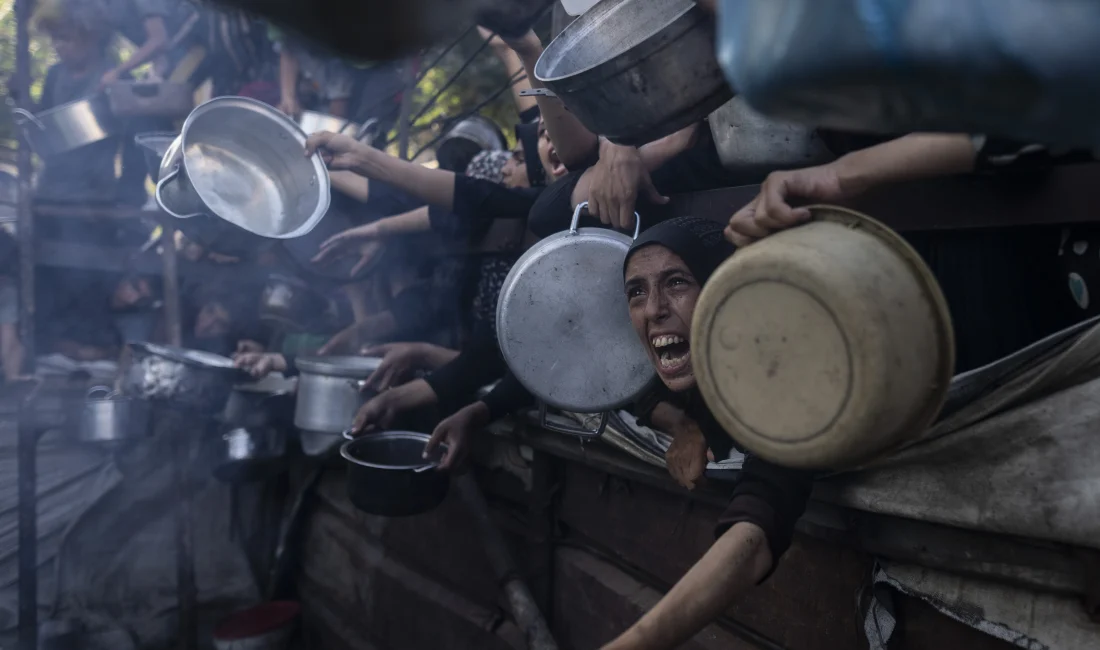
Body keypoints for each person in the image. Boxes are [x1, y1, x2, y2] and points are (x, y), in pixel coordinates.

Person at [31, 4, 141, 205]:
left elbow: (133, 143)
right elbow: (42, 129)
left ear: (92, 37)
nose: (58, 45)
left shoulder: (117, 79)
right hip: (49, 190)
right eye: (54, 38)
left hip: (94, 194)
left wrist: (127, 197)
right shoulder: (54, 75)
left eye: (65, 38)